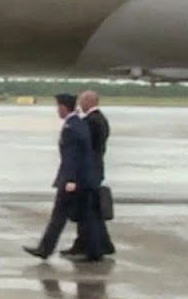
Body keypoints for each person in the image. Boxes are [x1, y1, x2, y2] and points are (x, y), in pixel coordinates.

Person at [23, 93, 104, 262]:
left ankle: (45, 249)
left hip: (74, 180)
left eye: (58, 108)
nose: (57, 111)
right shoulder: (78, 123)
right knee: (86, 216)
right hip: (84, 179)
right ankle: (94, 252)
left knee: (59, 215)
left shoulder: (71, 127)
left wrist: (71, 180)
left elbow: (73, 156)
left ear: (63, 108)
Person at [63, 90, 115, 258]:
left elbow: (85, 148)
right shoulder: (100, 119)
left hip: (88, 172)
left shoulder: (91, 121)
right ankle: (95, 244)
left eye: (82, 101)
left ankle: (91, 248)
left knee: (87, 212)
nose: (80, 104)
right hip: (94, 170)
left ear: (88, 102)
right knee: (91, 211)